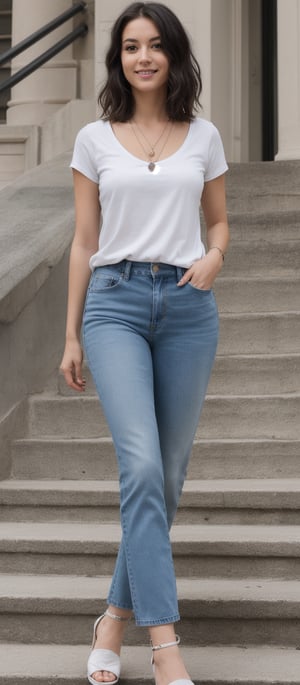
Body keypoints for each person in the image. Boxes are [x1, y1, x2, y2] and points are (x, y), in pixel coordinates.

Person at [60, 2, 229, 684]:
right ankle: (165, 645)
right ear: (118, 60)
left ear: (174, 54)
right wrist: (70, 333)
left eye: (156, 45)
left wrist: (215, 256)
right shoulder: (93, 140)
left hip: (189, 308)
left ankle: (112, 617)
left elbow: (219, 224)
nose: (143, 56)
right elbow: (83, 241)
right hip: (115, 307)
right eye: (130, 46)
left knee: (168, 474)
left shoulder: (205, 136)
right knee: (140, 465)